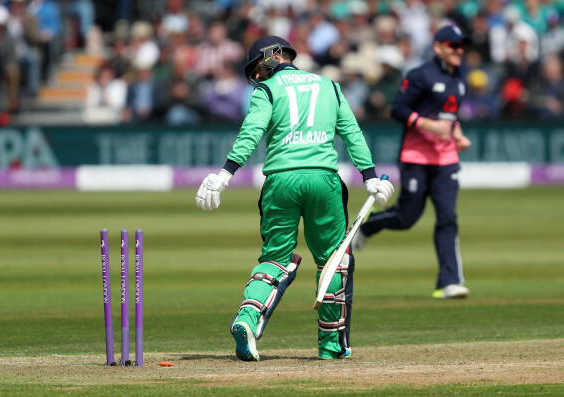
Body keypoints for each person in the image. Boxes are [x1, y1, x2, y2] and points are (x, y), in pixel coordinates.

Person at [194, 36, 393, 361]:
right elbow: (352, 132)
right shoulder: (329, 86)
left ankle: (247, 319)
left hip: (281, 182)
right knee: (334, 261)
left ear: (273, 56)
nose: (257, 76)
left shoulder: (268, 90)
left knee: (275, 258)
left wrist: (224, 175)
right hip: (323, 181)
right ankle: (331, 347)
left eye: (257, 67)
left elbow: (251, 131)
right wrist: (369, 175)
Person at [353, 24, 472, 299]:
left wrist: (459, 135)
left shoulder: (461, 78)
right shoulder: (420, 75)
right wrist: (427, 125)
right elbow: (398, 109)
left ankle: (450, 282)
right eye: (453, 46)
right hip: (416, 157)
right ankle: (367, 226)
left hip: (446, 160)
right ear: (438, 47)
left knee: (448, 218)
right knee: (407, 217)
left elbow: (450, 117)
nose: (459, 50)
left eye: (462, 46)